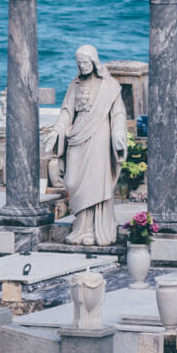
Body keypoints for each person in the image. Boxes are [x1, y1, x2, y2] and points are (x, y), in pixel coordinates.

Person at [51, 45, 127, 246]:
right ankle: (81, 228)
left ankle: (95, 230)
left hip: (100, 136)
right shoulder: (75, 84)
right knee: (72, 181)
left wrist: (118, 135)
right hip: (77, 136)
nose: (82, 66)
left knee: (95, 182)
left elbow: (118, 114)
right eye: (79, 63)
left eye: (85, 62)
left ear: (94, 62)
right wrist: (57, 130)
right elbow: (67, 111)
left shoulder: (109, 86)